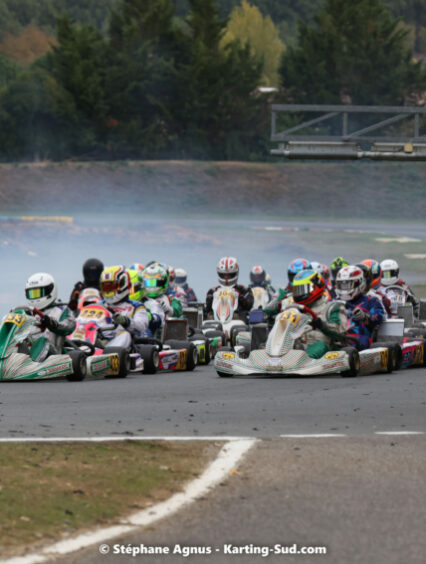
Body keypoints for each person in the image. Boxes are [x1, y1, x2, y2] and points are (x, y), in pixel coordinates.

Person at [292, 269, 347, 358]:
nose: (299, 294)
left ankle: (304, 360)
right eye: (297, 290)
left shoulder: (332, 307)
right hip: (299, 347)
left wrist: (322, 325)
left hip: (326, 350)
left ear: (316, 286)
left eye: (302, 289)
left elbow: (340, 333)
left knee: (319, 345)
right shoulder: (295, 310)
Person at [25, 272, 76, 361]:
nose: (35, 297)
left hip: (53, 355)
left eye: (38, 293)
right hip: (27, 354)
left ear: (50, 290)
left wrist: (52, 324)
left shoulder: (61, 310)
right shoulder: (26, 313)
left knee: (42, 341)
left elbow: (70, 327)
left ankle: (31, 365)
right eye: (32, 294)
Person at [99, 265, 152, 348]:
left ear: (123, 284)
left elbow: (142, 328)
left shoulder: (136, 306)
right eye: (106, 287)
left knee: (125, 334)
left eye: (111, 287)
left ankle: (105, 352)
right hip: (100, 339)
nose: (108, 291)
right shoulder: (99, 305)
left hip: (125, 345)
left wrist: (126, 321)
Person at [335, 265, 385, 350]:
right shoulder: (335, 301)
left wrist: (365, 316)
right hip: (337, 336)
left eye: (347, 285)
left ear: (359, 283)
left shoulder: (371, 301)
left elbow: (378, 317)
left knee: (363, 340)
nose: (344, 289)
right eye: (342, 285)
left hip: (358, 338)